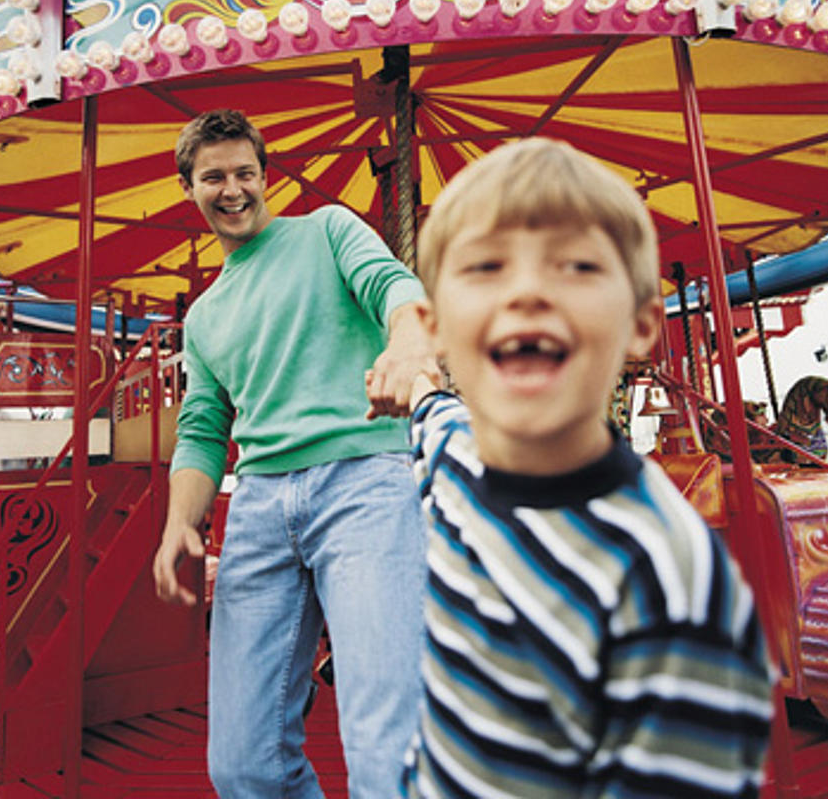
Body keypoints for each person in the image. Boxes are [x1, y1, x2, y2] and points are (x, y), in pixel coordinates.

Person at [400, 138, 775, 798]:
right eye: (485, 266)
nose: (526, 291)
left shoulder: (668, 584)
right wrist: (413, 382)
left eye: (574, 265)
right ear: (432, 325)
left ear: (639, 325)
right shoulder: (450, 460)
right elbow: (430, 411)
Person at [152, 108, 436, 799]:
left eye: (244, 173)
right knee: (242, 764)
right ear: (189, 188)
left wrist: (406, 341)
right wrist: (178, 523)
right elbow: (202, 426)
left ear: (264, 177)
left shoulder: (327, 230)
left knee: (384, 745)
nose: (232, 189)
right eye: (213, 176)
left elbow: (392, 286)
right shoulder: (204, 315)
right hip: (256, 507)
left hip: (364, 485)